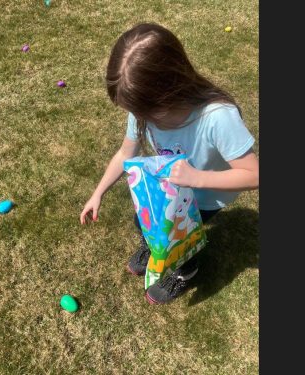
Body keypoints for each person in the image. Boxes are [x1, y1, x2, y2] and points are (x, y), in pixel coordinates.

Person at [79, 23, 259, 304]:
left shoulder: (217, 117)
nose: (141, 119)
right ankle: (153, 248)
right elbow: (125, 153)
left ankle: (185, 271)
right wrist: (97, 192)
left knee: (183, 241)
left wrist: (197, 178)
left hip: (205, 198)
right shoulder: (144, 109)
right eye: (137, 112)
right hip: (168, 190)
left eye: (146, 112)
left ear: (171, 88)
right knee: (145, 224)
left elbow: (253, 175)